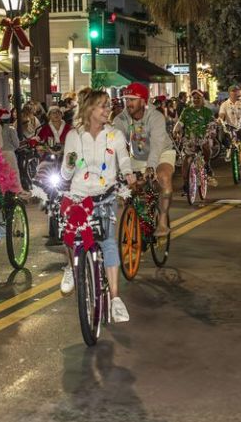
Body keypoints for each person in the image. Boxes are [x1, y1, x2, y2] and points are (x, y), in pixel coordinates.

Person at [60, 90, 135, 321]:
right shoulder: (74, 136)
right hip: (78, 196)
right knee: (69, 236)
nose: (107, 109)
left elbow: (123, 158)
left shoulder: (115, 135)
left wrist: (128, 173)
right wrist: (69, 165)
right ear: (90, 109)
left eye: (108, 105)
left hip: (105, 196)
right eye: (103, 105)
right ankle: (71, 268)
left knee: (108, 242)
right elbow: (66, 171)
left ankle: (115, 300)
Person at [113, 82, 175, 236]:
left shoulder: (156, 117)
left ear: (143, 101)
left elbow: (157, 145)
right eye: (126, 100)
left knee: (163, 178)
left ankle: (162, 220)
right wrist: (115, 169)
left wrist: (151, 167)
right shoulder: (121, 119)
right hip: (138, 156)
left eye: (132, 99)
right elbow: (116, 145)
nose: (128, 103)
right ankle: (135, 217)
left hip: (162, 153)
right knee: (128, 188)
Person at [173, 89, 218, 191]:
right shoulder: (187, 111)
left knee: (206, 146)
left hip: (203, 137)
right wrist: (176, 130)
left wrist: (212, 132)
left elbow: (212, 124)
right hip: (190, 138)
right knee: (186, 158)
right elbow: (180, 122)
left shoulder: (207, 111)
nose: (196, 100)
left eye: (198, 98)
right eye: (194, 98)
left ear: (202, 99)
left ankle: (207, 164)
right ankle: (186, 182)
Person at [218, 85, 241, 171]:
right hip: (230, 128)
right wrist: (220, 119)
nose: (235, 93)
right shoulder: (224, 104)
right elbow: (222, 114)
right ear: (229, 93)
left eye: (236, 91)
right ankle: (228, 148)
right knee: (221, 137)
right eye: (233, 91)